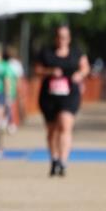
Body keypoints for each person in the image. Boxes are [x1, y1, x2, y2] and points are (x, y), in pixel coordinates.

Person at [33, 24, 89, 177]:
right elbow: (36, 69)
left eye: (64, 37)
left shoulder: (76, 52)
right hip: (49, 96)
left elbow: (85, 67)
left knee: (65, 125)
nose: (61, 40)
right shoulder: (46, 52)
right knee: (52, 130)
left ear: (69, 38)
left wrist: (80, 74)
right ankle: (54, 159)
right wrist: (50, 71)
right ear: (55, 38)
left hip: (70, 94)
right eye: (59, 36)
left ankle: (63, 162)